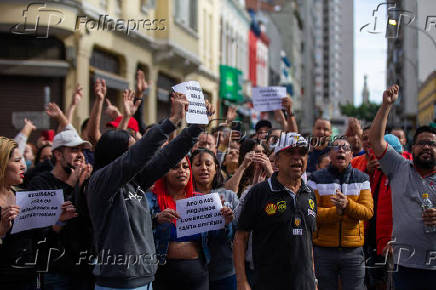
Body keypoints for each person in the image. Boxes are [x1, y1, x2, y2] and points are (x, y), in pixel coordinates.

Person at [86, 93, 215, 289]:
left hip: (146, 280)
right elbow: (138, 156)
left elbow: (166, 157)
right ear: (116, 155)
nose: (136, 150)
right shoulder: (100, 183)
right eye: (130, 149)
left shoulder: (135, 181)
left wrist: (196, 127)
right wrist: (172, 121)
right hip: (118, 283)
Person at [369, 84, 436, 290]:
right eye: (421, 143)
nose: (426, 147)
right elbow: (375, 140)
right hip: (405, 264)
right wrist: (386, 106)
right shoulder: (398, 167)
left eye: (432, 144)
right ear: (411, 148)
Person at [234, 133, 317, 290]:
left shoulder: (310, 194)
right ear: (277, 160)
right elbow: (240, 238)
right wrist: (241, 281)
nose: (297, 158)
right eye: (291, 152)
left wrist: (314, 280)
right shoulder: (259, 192)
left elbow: (307, 243)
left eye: (302, 153)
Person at [146, 156, 233, 290]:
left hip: (197, 275)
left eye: (185, 167)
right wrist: (156, 220)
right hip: (161, 275)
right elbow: (139, 232)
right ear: (164, 172)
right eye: (175, 167)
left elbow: (217, 240)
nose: (182, 171)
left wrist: (225, 223)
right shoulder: (151, 200)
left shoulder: (202, 201)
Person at [28, 124, 93, 289]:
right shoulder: (40, 183)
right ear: (57, 154)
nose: (79, 155)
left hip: (85, 268)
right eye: (73, 150)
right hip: (55, 270)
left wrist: (86, 187)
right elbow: (42, 228)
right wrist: (71, 185)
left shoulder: (85, 181)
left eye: (81, 150)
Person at [308, 138, 373, 290]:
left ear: (351, 155)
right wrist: (335, 212)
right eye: (336, 148)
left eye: (345, 148)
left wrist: (347, 205)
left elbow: (368, 212)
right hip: (323, 251)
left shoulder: (362, 179)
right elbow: (311, 214)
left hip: (353, 251)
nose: (341, 150)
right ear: (329, 154)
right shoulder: (315, 179)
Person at [190, 149, 239, 290]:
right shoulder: (183, 199)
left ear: (216, 167)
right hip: (194, 275)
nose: (204, 168)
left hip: (225, 272)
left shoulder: (229, 196)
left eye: (208, 164)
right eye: (198, 164)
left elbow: (240, 236)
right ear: (190, 168)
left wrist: (228, 223)